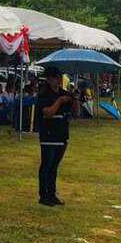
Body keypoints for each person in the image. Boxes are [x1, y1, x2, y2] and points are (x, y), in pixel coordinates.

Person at [35, 66, 79, 206]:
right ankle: (43, 195)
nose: (58, 80)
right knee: (46, 165)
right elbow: (48, 113)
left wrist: (75, 99)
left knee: (54, 166)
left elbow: (75, 113)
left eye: (59, 77)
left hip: (62, 134)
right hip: (48, 134)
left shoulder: (64, 93)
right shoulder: (44, 94)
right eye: (55, 77)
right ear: (49, 79)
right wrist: (59, 101)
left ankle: (52, 194)